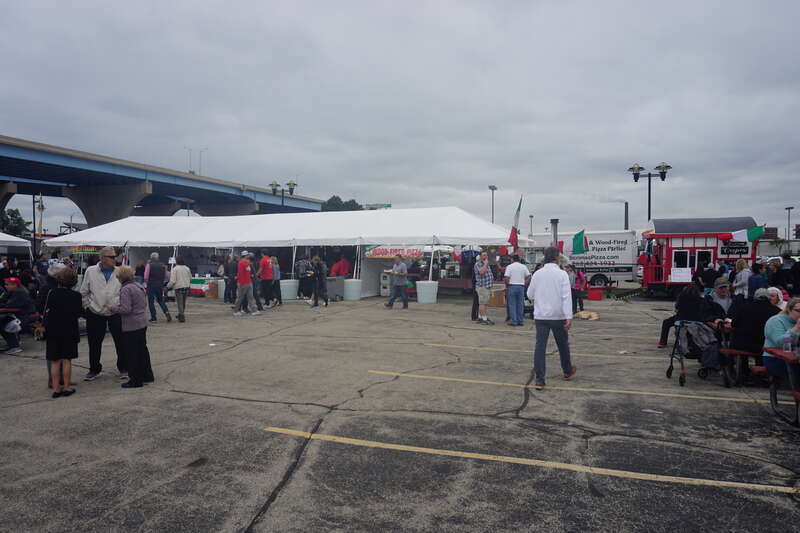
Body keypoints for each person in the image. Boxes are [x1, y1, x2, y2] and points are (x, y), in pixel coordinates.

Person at [527, 246, 576, 389]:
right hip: (558, 315)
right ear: (557, 258)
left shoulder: (537, 274)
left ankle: (540, 379)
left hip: (541, 316)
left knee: (540, 347)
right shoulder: (562, 275)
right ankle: (567, 371)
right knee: (562, 345)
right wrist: (569, 317)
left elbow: (530, 295)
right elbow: (566, 297)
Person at [80, 246, 126, 381]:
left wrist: (120, 305)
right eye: (111, 257)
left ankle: (123, 367)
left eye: (114, 256)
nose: (114, 259)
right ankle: (94, 369)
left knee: (121, 341)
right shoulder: (91, 271)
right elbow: (83, 291)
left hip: (115, 312)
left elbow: (125, 290)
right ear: (102, 258)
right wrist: (89, 305)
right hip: (95, 311)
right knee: (94, 342)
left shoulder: (119, 271)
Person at [43, 268, 82, 398]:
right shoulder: (76, 296)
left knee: (55, 360)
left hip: (53, 330)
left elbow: (45, 309)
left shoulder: (51, 293)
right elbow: (78, 313)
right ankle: (66, 387)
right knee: (66, 360)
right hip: (69, 330)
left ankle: (56, 389)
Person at [114, 266, 153, 388]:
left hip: (131, 325)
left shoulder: (126, 289)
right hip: (142, 322)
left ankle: (135, 379)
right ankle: (147, 375)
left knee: (132, 353)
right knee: (142, 351)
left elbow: (126, 309)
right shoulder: (138, 286)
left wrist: (114, 308)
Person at [729, 288, 779, 356]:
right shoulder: (777, 311)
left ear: (755, 297)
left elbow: (733, 324)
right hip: (765, 346)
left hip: (742, 345)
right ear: (769, 298)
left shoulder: (744, 308)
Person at [762, 297, 800, 378]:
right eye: (799, 311)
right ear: (789, 310)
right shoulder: (776, 321)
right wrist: (795, 328)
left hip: (795, 357)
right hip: (776, 358)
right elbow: (782, 343)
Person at [0, 276, 36, 354]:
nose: (5, 286)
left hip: (24, 317)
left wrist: (2, 310)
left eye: (7, 284)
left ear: (15, 285)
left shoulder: (19, 292)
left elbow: (16, 308)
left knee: (2, 322)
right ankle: (12, 344)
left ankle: (14, 346)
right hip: (19, 316)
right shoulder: (12, 292)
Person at [144, 252, 172, 323]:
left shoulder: (149, 265)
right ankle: (166, 311)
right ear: (157, 258)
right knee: (160, 300)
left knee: (151, 302)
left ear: (151, 258)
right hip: (160, 285)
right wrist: (162, 282)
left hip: (151, 285)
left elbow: (146, 277)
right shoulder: (163, 266)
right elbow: (167, 276)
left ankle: (154, 318)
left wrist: (147, 283)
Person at [504, 255, 530, 326]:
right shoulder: (523, 266)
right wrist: (524, 283)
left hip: (512, 286)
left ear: (512, 259)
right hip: (521, 286)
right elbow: (528, 276)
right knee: (520, 304)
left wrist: (508, 284)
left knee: (512, 304)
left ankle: (514, 321)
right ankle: (520, 321)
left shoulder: (509, 266)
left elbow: (506, 277)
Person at [233, 251, 259, 316]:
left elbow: (247, 272)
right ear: (245, 256)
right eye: (247, 255)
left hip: (248, 282)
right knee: (240, 297)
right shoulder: (241, 263)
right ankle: (236, 311)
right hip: (243, 283)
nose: (248, 256)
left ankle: (254, 310)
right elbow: (240, 273)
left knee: (250, 297)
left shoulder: (247, 262)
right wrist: (241, 283)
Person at [167, 256, 191, 322]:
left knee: (180, 302)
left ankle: (181, 316)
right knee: (183, 302)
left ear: (176, 261)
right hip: (186, 287)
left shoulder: (175, 269)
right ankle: (181, 314)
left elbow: (173, 281)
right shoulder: (187, 268)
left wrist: (167, 287)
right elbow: (190, 278)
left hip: (179, 287)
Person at [473, 251, 495, 325]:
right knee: (482, 303)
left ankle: (480, 317)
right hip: (482, 286)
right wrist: (485, 264)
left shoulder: (486, 264)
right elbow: (481, 272)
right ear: (480, 256)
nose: (485, 256)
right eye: (484, 255)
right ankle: (484, 319)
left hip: (487, 286)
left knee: (485, 303)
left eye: (486, 255)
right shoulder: (478, 264)